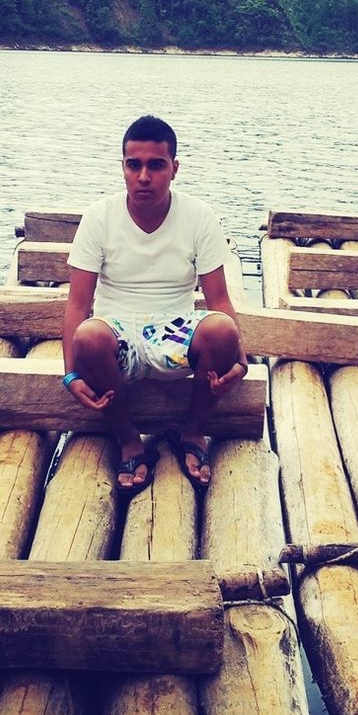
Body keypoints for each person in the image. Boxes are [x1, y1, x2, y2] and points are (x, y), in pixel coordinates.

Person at [61, 115, 247, 496]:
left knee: (221, 329)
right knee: (89, 336)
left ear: (174, 169)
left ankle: (193, 433)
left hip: (174, 333)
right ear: (124, 168)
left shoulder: (199, 216)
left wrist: (241, 359)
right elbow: (77, 305)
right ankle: (130, 441)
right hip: (118, 334)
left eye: (156, 165)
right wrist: (70, 375)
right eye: (134, 165)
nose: (144, 176)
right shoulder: (100, 217)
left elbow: (219, 301)